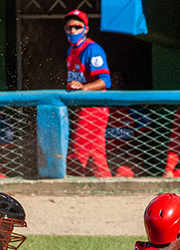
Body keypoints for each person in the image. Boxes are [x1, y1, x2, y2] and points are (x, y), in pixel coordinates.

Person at [64, 9, 113, 178]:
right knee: (96, 157)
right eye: (69, 28)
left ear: (86, 29)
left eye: (77, 27)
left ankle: (71, 187)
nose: (72, 31)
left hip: (94, 109)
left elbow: (105, 81)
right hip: (82, 109)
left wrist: (84, 88)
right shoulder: (71, 51)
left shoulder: (92, 49)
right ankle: (109, 187)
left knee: (78, 154)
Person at [105, 72, 151, 177]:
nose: (117, 84)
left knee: (125, 172)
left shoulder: (136, 110)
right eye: (113, 81)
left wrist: (132, 151)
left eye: (120, 81)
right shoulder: (100, 109)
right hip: (104, 155)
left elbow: (146, 139)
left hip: (127, 156)